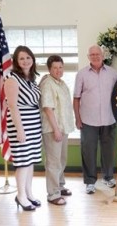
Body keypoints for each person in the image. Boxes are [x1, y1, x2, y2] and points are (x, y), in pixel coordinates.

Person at [73, 45, 117, 194]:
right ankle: (90, 181)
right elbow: (76, 98)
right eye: (92, 54)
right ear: (88, 57)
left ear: (102, 55)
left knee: (108, 151)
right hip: (88, 121)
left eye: (97, 54)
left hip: (109, 118)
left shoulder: (113, 73)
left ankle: (108, 177)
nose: (95, 56)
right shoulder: (81, 74)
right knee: (88, 151)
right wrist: (77, 118)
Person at [4, 45, 42, 211]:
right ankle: (20, 196)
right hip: (21, 126)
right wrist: (20, 130)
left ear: (32, 59)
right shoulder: (12, 79)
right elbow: (12, 106)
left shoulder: (31, 79)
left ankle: (28, 193)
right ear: (16, 62)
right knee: (23, 162)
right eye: (21, 58)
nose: (25, 61)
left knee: (31, 160)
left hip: (34, 124)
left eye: (28, 57)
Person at [39, 55, 74, 205]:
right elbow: (47, 108)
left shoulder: (61, 83)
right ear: (49, 69)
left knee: (61, 159)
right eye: (55, 68)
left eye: (60, 67)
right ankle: (53, 194)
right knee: (53, 162)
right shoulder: (48, 84)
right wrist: (56, 129)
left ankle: (59, 185)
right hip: (53, 128)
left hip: (63, 126)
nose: (58, 70)